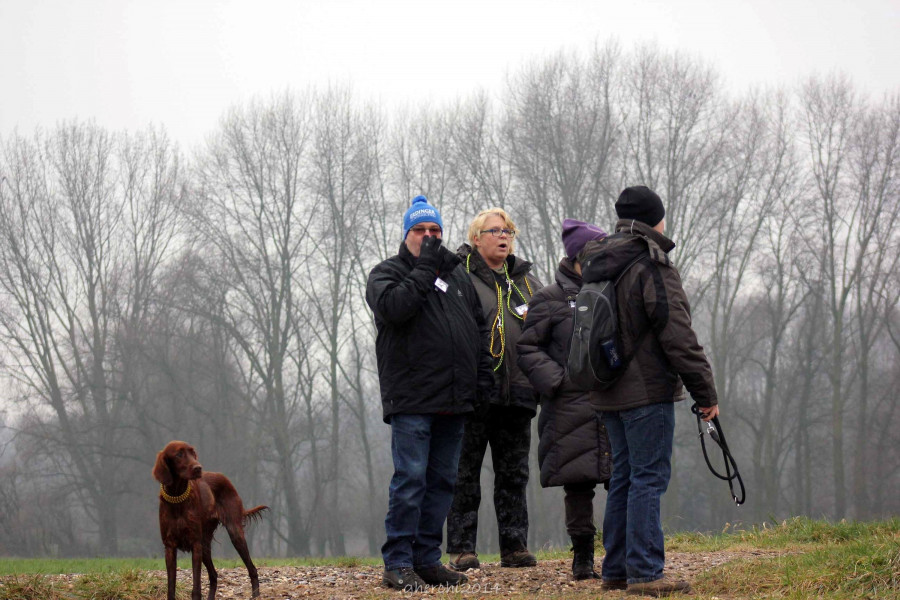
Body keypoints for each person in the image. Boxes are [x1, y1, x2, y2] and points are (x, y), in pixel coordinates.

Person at [585, 186, 719, 597]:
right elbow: (678, 335)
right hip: (646, 392)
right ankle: (645, 572)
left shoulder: (598, 261)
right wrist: (706, 393)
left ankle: (616, 570)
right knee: (647, 477)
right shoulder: (651, 264)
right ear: (655, 219)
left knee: (625, 477)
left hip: (606, 388)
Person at [366, 195, 494, 592]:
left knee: (442, 482)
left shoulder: (458, 278)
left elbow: (478, 330)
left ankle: (425, 559)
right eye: (419, 230)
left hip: (454, 400)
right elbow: (396, 308)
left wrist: (482, 380)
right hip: (411, 399)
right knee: (411, 480)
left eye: (434, 230)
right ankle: (397, 563)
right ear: (406, 234)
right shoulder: (386, 273)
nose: (428, 236)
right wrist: (424, 267)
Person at [445, 208, 543, 571]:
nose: (503, 236)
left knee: (514, 475)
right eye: (495, 231)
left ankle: (514, 547)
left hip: (518, 392)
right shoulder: (459, 278)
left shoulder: (528, 283)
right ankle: (461, 548)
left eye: (508, 231)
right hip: (472, 393)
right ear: (476, 239)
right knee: (464, 474)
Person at [516, 219, 613, 581]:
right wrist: (558, 382)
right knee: (578, 484)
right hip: (568, 406)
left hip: (611, 400)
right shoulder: (549, 298)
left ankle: (620, 552)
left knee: (622, 479)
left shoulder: (612, 290)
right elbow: (527, 348)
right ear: (577, 258)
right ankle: (582, 558)